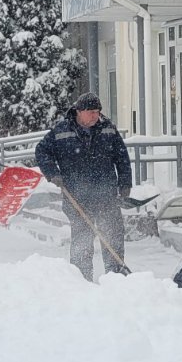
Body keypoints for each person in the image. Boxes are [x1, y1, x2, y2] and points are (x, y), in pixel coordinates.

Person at [35, 93, 132, 281]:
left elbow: (122, 158)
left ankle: (116, 277)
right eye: (91, 112)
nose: (96, 116)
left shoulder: (108, 129)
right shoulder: (62, 130)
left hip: (106, 195)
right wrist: (53, 173)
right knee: (82, 239)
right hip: (76, 196)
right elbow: (42, 151)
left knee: (112, 235)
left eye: (98, 112)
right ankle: (81, 279)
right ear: (79, 111)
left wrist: (125, 183)